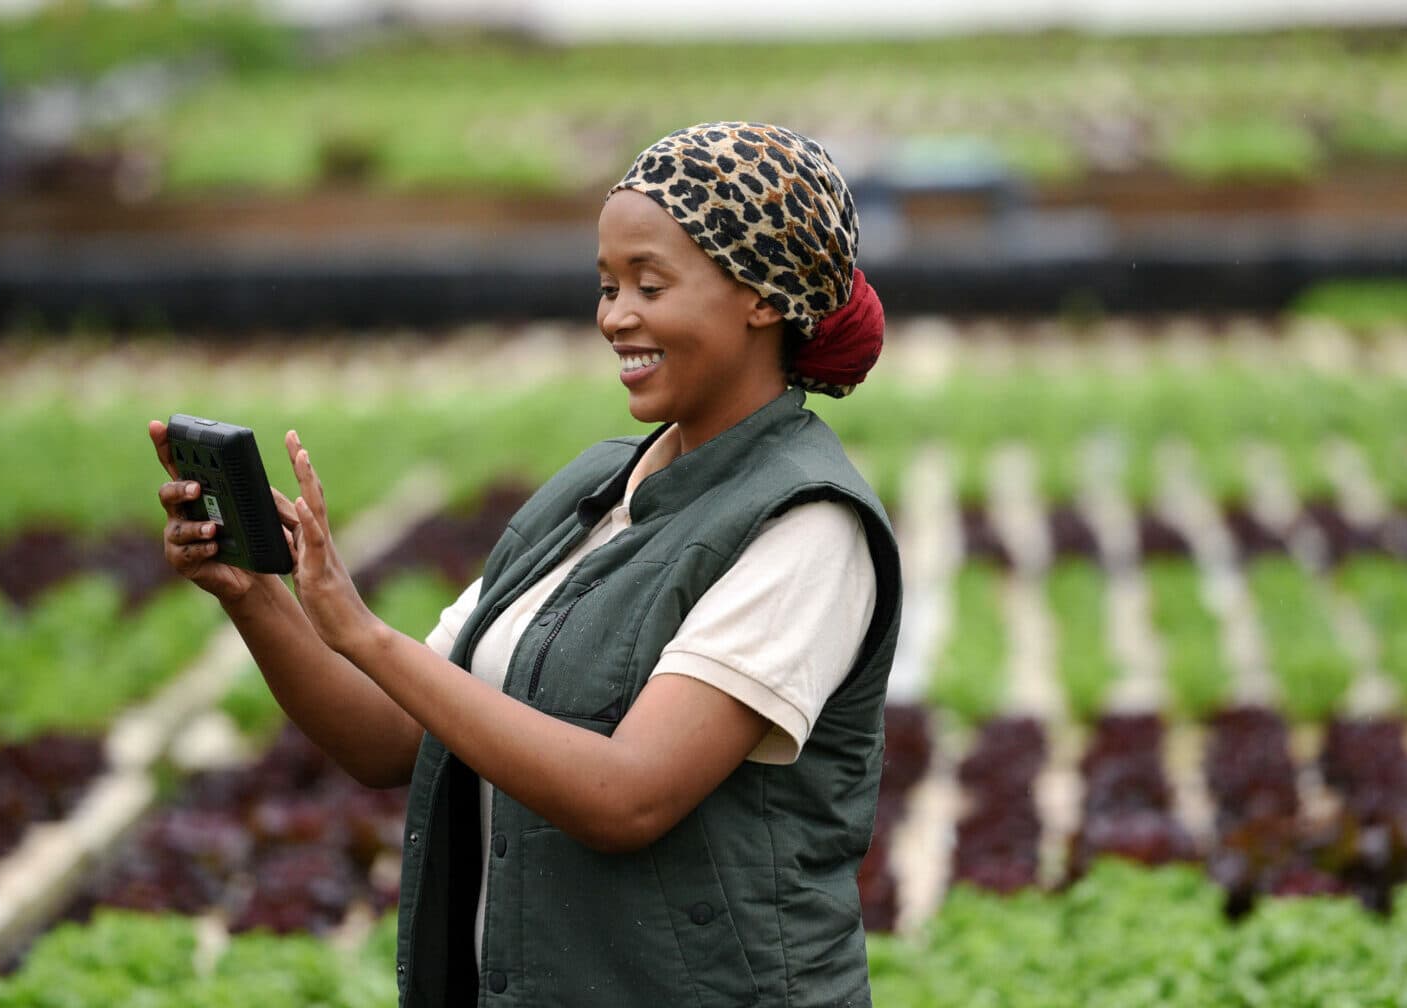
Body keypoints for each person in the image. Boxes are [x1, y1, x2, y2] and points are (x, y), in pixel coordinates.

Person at [149, 121, 901, 1006]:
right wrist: (256, 593)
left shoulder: (807, 525)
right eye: (607, 285)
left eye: (649, 285)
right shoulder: (591, 490)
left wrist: (362, 631)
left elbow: (628, 799)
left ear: (763, 297)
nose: (615, 316)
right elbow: (391, 740)